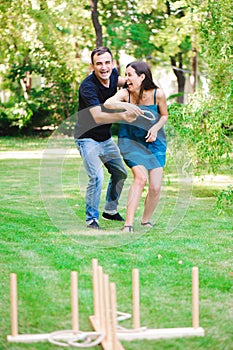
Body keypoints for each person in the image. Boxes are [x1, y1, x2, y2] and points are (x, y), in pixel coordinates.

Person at [74, 47, 142, 229]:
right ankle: (92, 219)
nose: (104, 67)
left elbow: (127, 82)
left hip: (105, 138)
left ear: (112, 64)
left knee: (120, 173)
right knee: (97, 176)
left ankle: (110, 211)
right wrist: (123, 115)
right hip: (86, 138)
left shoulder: (113, 76)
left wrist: (147, 84)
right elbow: (97, 116)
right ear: (92, 66)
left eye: (107, 62)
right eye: (99, 63)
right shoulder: (87, 87)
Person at [104, 61, 168, 232]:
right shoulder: (126, 93)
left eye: (130, 75)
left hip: (154, 142)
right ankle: (128, 225)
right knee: (140, 178)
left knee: (155, 187)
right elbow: (108, 104)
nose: (127, 79)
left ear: (142, 77)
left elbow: (164, 115)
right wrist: (127, 105)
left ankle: (146, 220)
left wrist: (155, 128)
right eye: (126, 75)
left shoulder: (158, 94)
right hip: (130, 142)